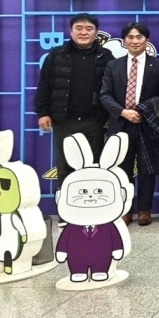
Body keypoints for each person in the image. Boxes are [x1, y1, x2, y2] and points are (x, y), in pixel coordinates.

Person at [35, 12, 115, 223]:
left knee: (94, 166)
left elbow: (114, 89)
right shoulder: (56, 55)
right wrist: (43, 112)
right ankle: (67, 213)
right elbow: (44, 85)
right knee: (65, 167)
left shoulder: (106, 56)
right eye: (79, 28)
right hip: (64, 120)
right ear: (71, 31)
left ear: (96, 33)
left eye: (89, 29)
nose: (84, 32)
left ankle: (93, 212)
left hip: (95, 121)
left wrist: (111, 115)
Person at [99, 22, 159, 226]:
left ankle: (145, 210)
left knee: (147, 168)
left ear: (147, 40)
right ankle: (126, 209)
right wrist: (123, 112)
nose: (135, 41)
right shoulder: (113, 65)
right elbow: (105, 94)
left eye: (139, 37)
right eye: (130, 37)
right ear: (124, 41)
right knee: (122, 168)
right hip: (121, 123)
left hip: (147, 123)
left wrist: (143, 111)